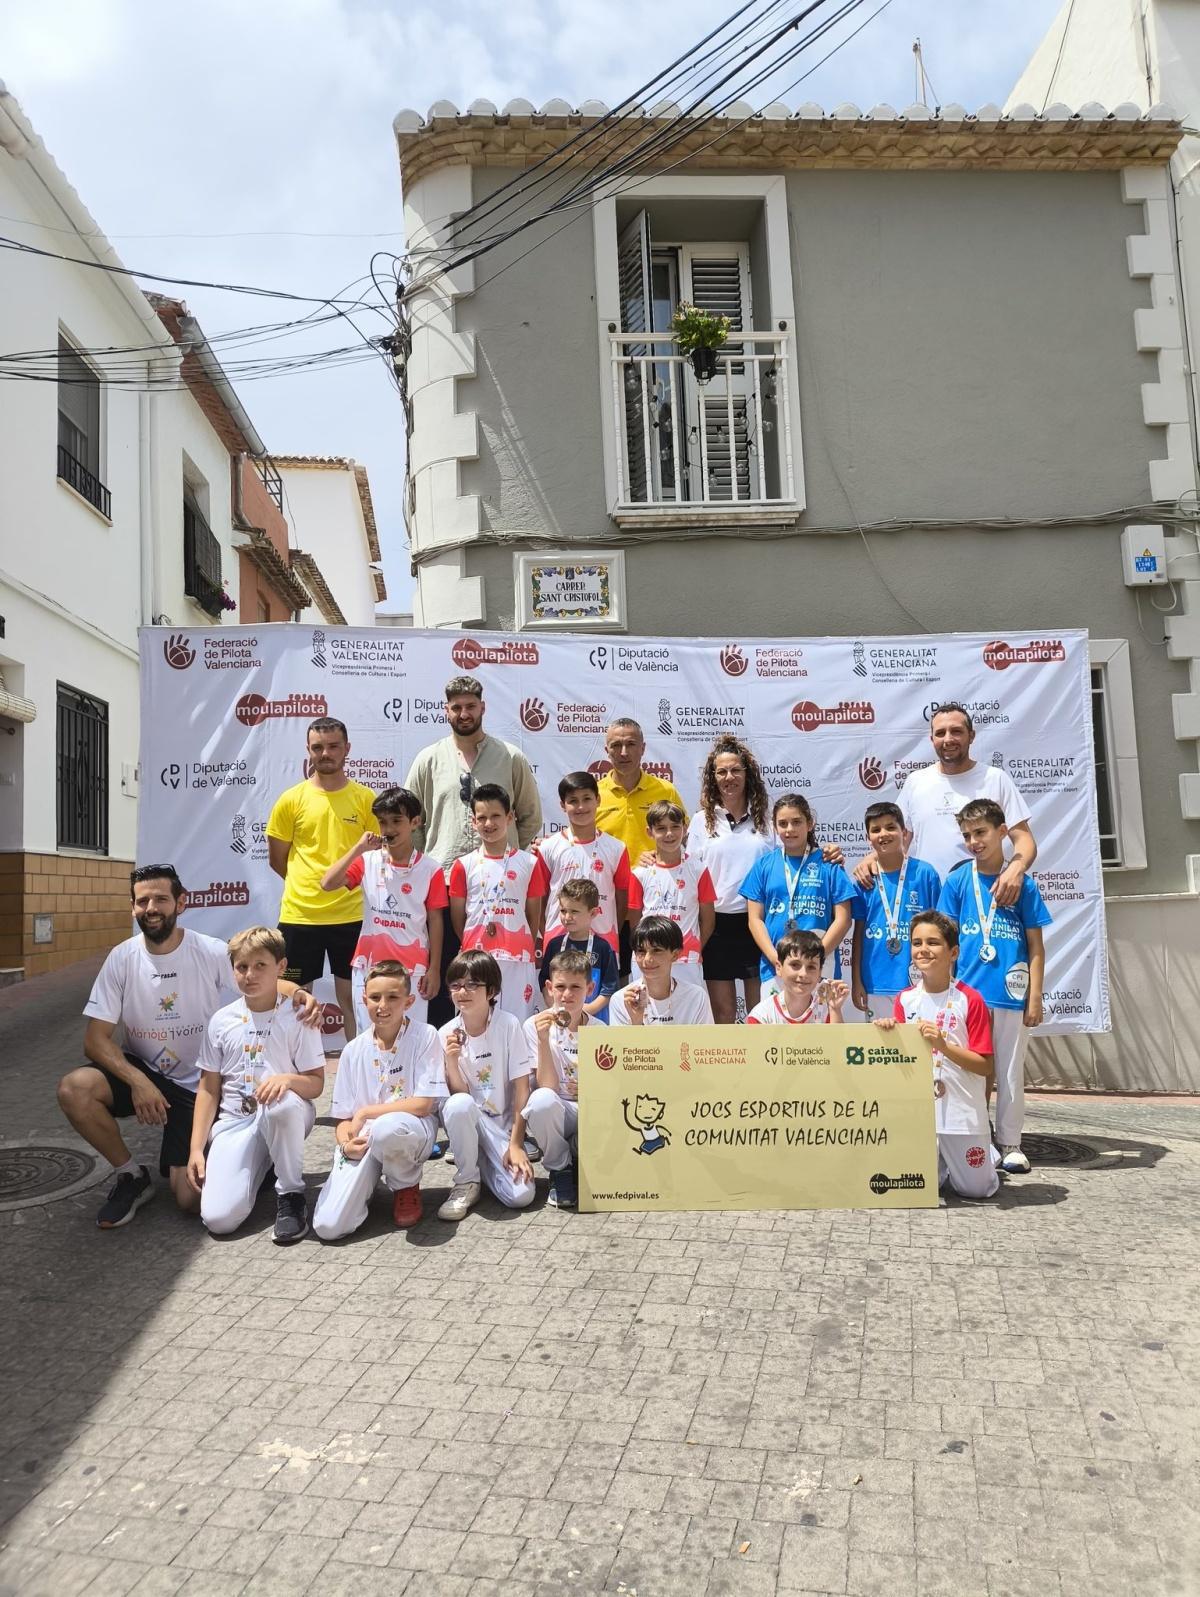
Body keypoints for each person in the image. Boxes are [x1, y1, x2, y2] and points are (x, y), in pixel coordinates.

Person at [57, 864, 319, 1229]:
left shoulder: (209, 950)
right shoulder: (121, 957)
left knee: (190, 1201)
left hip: (199, 1086)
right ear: (132, 907)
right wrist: (137, 1081)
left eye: (161, 899)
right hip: (145, 1073)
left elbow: (257, 975)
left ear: (181, 903)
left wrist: (300, 994)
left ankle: (261, 1159)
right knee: (75, 1088)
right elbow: (94, 1040)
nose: (151, 908)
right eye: (142, 901)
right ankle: (132, 1176)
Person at [404, 674, 542, 1025]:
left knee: (505, 986)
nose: (464, 713)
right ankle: (448, 1058)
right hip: (444, 884)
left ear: (483, 708)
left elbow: (529, 816)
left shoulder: (510, 757)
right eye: (456, 707)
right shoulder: (428, 760)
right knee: (450, 977)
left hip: (503, 889)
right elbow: (412, 821)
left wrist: (506, 858)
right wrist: (429, 864)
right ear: (446, 711)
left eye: (470, 706)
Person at [187, 927, 326, 1245]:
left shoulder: (298, 1016)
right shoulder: (221, 1020)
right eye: (242, 966)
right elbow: (208, 1088)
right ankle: (265, 1162)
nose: (250, 975)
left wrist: (287, 1079)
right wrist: (196, 1149)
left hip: (287, 1112)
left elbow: (316, 1084)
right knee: (219, 1220)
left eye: (260, 965)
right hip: (235, 1122)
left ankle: (291, 1195)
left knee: (279, 1104)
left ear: (281, 967)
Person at [937, 800, 1051, 1175]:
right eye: (967, 835)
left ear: (1002, 832)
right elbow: (946, 944)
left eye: (981, 833)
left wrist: (1034, 996)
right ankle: (978, 1140)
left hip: (1011, 993)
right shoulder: (956, 882)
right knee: (972, 1072)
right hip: (968, 996)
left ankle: (1011, 1142)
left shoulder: (1024, 884)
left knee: (1010, 1071)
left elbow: (1035, 945)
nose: (974, 841)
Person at [854, 703, 1037, 907]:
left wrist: (1015, 869)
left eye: (956, 731)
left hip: (982, 896)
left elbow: (1024, 839)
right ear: (932, 739)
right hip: (926, 897)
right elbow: (900, 839)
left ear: (972, 736)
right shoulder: (916, 781)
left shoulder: (995, 778)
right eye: (940, 733)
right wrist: (872, 858)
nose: (948, 739)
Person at [312, 961, 446, 1237]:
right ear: (364, 1000)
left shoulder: (425, 1035)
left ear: (408, 1002)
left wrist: (366, 1113)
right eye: (374, 997)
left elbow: (424, 1104)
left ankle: (405, 1185)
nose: (382, 1005)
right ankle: (366, 1185)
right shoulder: (353, 1049)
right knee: (328, 1226)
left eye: (392, 997)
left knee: (387, 1128)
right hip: (365, 1137)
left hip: (410, 1129)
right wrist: (346, 1143)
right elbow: (343, 1117)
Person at [873, 910, 999, 1201]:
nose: (923, 950)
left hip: (962, 1112)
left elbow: (985, 1065)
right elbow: (900, 1061)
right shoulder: (905, 1000)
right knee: (921, 1186)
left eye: (933, 943)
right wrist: (888, 1032)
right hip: (922, 1114)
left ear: (953, 951)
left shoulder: (971, 999)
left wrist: (943, 1047)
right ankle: (940, 1162)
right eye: (916, 943)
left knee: (976, 1191)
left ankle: (986, 1154)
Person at [267, 716, 377, 1040]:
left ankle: (360, 1069)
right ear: (308, 750)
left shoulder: (366, 799)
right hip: (300, 917)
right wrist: (308, 889)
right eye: (318, 747)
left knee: (355, 1000)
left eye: (333, 746)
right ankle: (297, 1072)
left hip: (351, 915)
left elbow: (373, 860)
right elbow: (277, 860)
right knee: (295, 1000)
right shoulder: (290, 800)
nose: (325, 753)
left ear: (347, 749)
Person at [320, 786, 447, 1032]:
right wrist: (359, 848)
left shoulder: (431, 869)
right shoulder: (368, 860)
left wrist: (434, 969)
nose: (388, 829)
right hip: (370, 966)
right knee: (369, 1036)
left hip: (413, 969)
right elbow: (327, 883)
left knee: (412, 1037)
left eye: (396, 821)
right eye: (382, 822)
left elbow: (436, 921)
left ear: (415, 822)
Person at [437, 949, 536, 1220]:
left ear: (491, 990)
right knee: (458, 1104)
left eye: (472, 984)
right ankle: (467, 1180)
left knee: (521, 1196)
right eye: (456, 985)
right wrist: (452, 1061)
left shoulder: (508, 1024)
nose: (462, 992)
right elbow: (459, 1098)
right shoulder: (445, 1033)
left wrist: (516, 1144)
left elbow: (522, 1088)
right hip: (469, 1120)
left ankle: (482, 1163)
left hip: (502, 1130)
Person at [686, 735, 772, 1022]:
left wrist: (829, 852)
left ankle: (760, 1068)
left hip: (757, 923)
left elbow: (793, 857)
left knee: (758, 1012)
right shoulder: (701, 821)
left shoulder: (767, 820)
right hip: (715, 925)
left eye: (736, 770)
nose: (729, 777)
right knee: (722, 1013)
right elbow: (687, 868)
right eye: (721, 771)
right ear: (713, 777)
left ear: (748, 774)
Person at [448, 783, 548, 1020]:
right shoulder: (463, 865)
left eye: (495, 816)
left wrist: (522, 943)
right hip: (476, 957)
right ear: (473, 821)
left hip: (517, 957)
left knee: (518, 1022)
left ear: (510, 817)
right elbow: (458, 917)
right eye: (482, 818)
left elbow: (533, 915)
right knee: (475, 1022)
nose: (489, 824)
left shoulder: (529, 863)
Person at [596, 718, 686, 976]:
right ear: (607, 751)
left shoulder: (664, 790)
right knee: (610, 985)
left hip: (653, 905)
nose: (623, 752)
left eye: (631, 744)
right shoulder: (596, 793)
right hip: (607, 906)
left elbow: (682, 836)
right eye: (616, 745)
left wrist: (659, 855)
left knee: (652, 981)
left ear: (643, 748)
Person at [741, 794, 855, 987]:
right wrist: (774, 957)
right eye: (783, 823)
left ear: (809, 824)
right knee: (776, 1018)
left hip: (820, 968)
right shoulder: (764, 865)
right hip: (775, 968)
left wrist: (816, 957)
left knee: (821, 1017)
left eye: (796, 822)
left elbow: (843, 919)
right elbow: (755, 919)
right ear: (775, 827)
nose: (790, 829)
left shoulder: (829, 864)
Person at [849, 801, 942, 1019]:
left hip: (920, 981)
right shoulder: (864, 880)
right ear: (867, 837)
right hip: (875, 982)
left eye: (891, 827)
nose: (884, 834)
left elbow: (941, 930)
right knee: (883, 1051)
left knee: (921, 1049)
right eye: (876, 829)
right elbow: (859, 934)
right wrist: (856, 980)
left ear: (904, 832)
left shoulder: (925, 874)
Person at [523, 949, 598, 1211]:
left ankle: (578, 1156)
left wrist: (591, 1088)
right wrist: (544, 1041)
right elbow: (547, 1087)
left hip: (590, 1110)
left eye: (576, 987)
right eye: (561, 986)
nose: (567, 995)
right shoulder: (534, 1025)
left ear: (590, 988)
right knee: (540, 1100)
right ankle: (560, 1168)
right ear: (549, 988)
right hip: (559, 1110)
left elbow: (611, 1087)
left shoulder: (601, 1030)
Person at [537, 772, 630, 957]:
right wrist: (549, 930)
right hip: (559, 940)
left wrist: (608, 928)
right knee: (561, 986)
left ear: (598, 799)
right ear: (563, 805)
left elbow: (622, 901)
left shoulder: (616, 848)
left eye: (587, 799)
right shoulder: (548, 847)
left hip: (604, 941)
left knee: (602, 987)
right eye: (573, 801)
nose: (581, 807)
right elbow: (539, 900)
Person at [627, 800, 716, 985]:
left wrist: (694, 947)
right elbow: (635, 922)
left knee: (687, 1012)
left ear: (684, 828)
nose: (669, 834)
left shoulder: (698, 869)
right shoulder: (639, 873)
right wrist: (644, 950)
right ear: (649, 832)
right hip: (648, 959)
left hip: (686, 959)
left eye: (675, 827)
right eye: (661, 828)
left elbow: (708, 920)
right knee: (648, 1011)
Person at [538, 877, 620, 1020]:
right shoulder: (554, 945)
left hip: (593, 1021)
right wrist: (556, 1007)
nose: (567, 917)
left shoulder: (603, 947)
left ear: (593, 913)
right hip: (560, 1018)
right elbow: (544, 981)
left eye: (574, 911)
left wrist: (585, 1011)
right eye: (563, 911)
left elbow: (609, 989)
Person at [609, 916, 715, 1026]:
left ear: (675, 954)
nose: (647, 959)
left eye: (656, 950)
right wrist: (636, 1022)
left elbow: (705, 1042)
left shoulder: (696, 997)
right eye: (641, 951)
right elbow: (622, 1044)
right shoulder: (621, 1000)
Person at [746, 929, 848, 1024]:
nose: (803, 973)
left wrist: (835, 1010)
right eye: (795, 965)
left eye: (811, 967)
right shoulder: (761, 1016)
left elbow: (837, 1043)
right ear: (778, 968)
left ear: (820, 972)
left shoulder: (826, 1011)